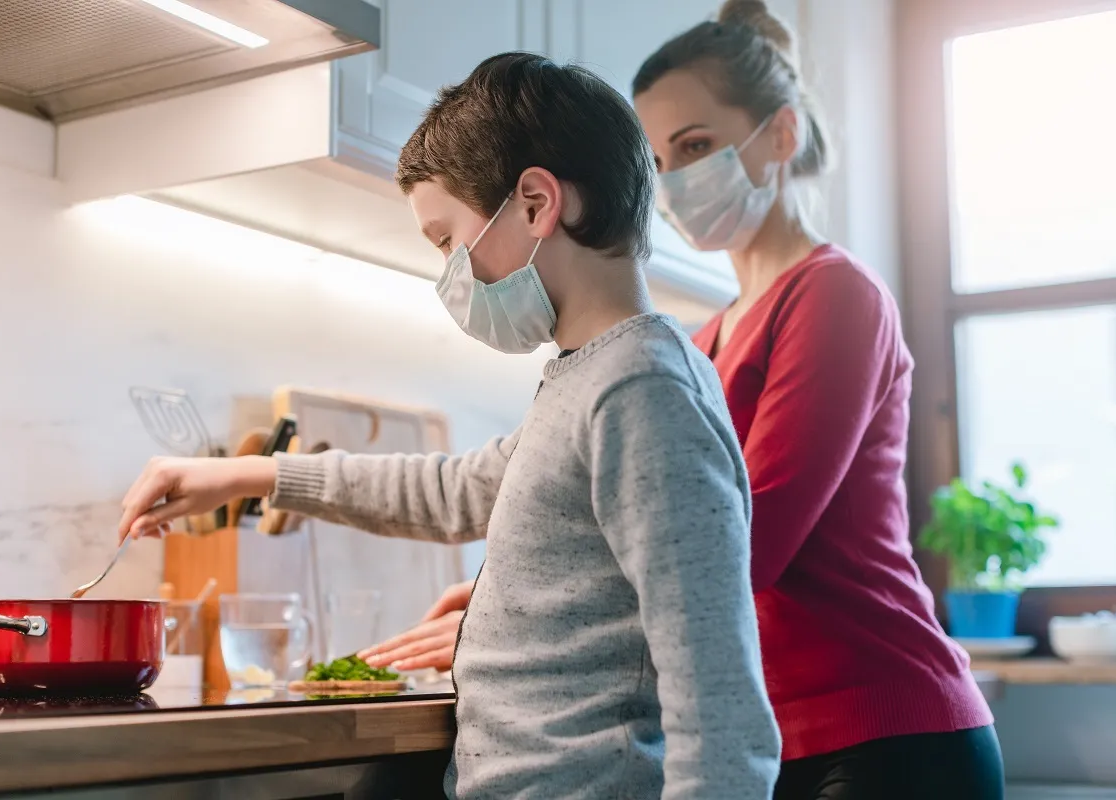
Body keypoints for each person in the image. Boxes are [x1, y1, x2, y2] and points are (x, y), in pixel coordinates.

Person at [361, 3, 1006, 798]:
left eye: (697, 146)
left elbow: (738, 542)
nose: (678, 181)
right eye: (662, 160)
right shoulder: (702, 340)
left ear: (780, 134)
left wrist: (544, 620)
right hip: (789, 725)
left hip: (885, 726)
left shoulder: (835, 295)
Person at [118, 52, 781, 799]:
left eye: (445, 240)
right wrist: (251, 474)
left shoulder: (641, 393)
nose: (448, 274)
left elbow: (720, 709)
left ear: (535, 204)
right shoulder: (591, 377)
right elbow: (454, 490)